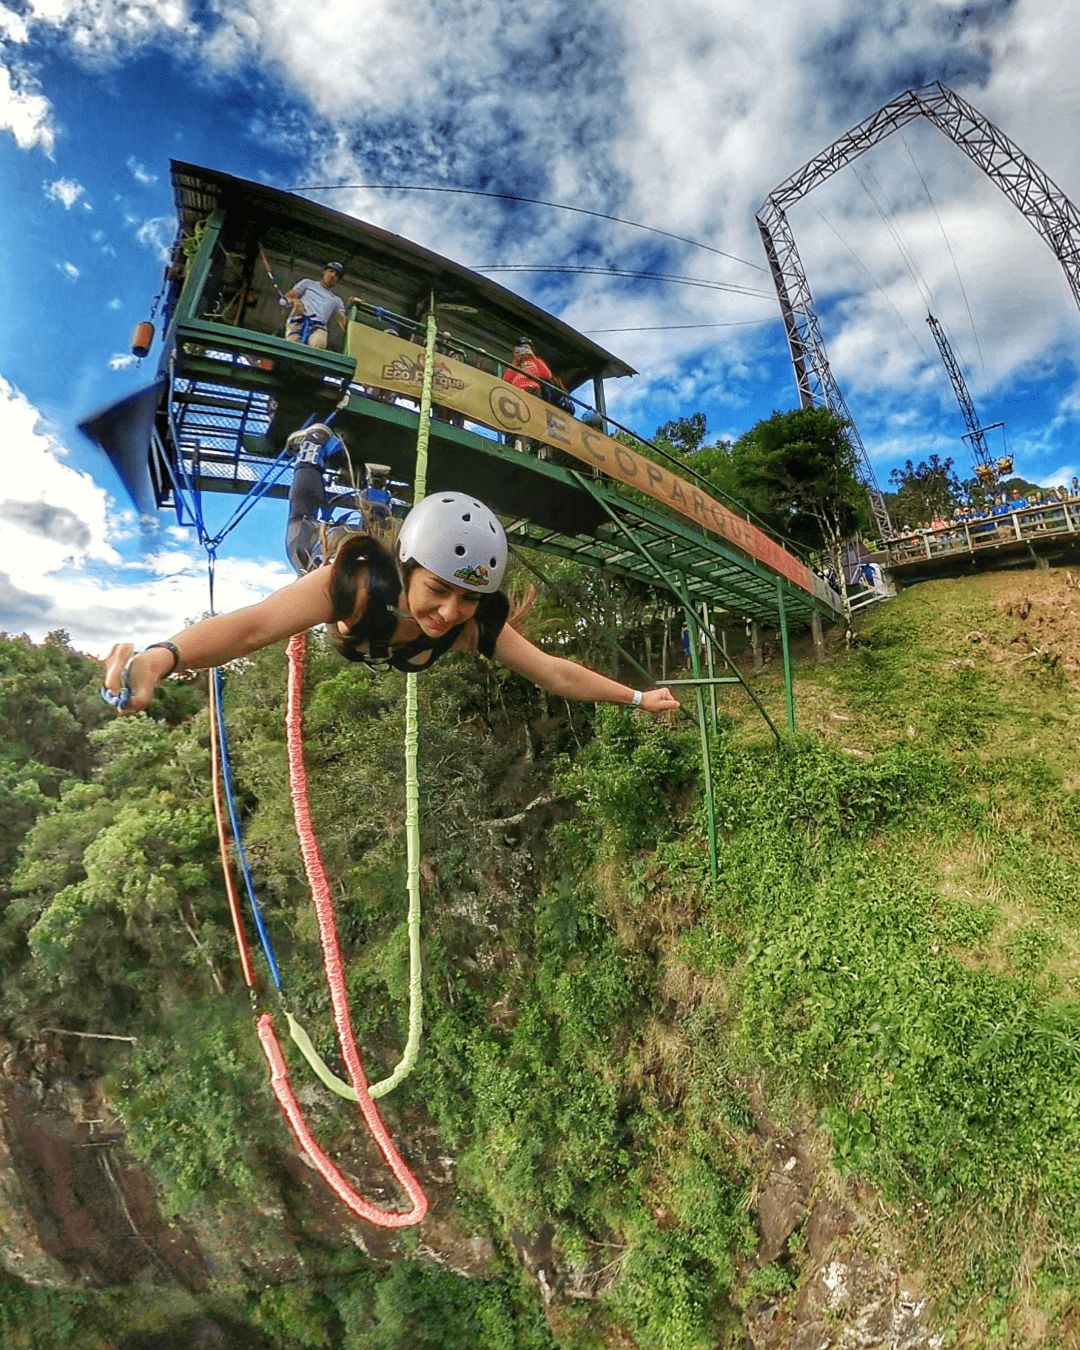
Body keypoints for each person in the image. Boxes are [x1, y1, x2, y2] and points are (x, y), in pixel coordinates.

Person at [102, 442, 681, 716]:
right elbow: (253, 627)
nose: (450, 612)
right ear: (407, 570)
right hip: (334, 558)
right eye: (439, 589)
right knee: (299, 536)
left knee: (366, 532)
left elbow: (553, 672)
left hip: (382, 564)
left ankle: (372, 492)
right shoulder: (354, 587)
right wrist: (162, 657)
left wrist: (637, 697)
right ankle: (309, 458)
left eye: (469, 597)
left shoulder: (470, 625)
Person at [284, 262, 348, 349]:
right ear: (324, 272)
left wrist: (351, 305)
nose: (333, 275)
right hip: (298, 320)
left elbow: (342, 321)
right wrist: (296, 301)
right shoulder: (307, 283)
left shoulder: (337, 300)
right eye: (331, 271)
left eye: (336, 275)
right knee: (292, 345)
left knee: (319, 344)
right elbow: (290, 296)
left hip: (318, 326)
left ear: (337, 280)